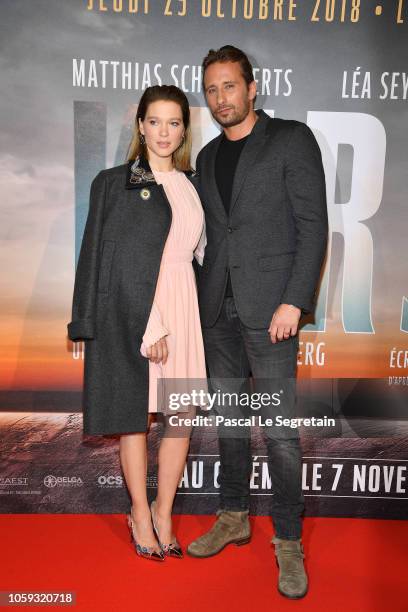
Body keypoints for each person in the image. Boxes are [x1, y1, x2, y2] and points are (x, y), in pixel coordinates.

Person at [187, 46, 328, 600]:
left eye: (229, 86)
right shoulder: (204, 156)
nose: (221, 98)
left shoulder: (291, 139)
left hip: (271, 312)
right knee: (229, 423)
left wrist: (295, 300)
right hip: (216, 310)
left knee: (281, 434)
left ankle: (288, 540)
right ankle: (233, 515)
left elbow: (313, 224)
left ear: (252, 87)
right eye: (212, 90)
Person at [67, 85, 207, 562]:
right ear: (141, 126)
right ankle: (140, 515)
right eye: (156, 121)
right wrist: (149, 323)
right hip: (140, 311)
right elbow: (114, 262)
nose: (164, 131)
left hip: (184, 303)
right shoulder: (116, 183)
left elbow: (197, 254)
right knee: (136, 417)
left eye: (174, 122)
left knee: (182, 416)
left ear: (183, 129)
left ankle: (165, 513)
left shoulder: (193, 184)